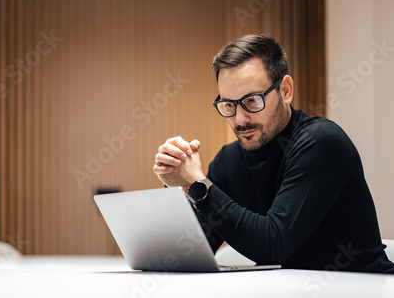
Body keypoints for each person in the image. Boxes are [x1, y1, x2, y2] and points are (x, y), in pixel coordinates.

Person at [153, 34, 394, 273]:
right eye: (229, 105)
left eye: (252, 100)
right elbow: (190, 250)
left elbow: (273, 245)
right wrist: (180, 187)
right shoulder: (229, 160)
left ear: (286, 90)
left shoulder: (321, 142)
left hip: (363, 289)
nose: (240, 119)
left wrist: (199, 184)